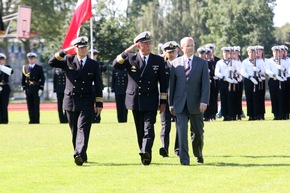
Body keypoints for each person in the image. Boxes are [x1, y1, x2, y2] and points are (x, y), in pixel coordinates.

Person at [112, 31, 167, 165]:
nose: (149, 46)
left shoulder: (158, 60)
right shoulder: (130, 58)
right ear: (138, 45)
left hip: (151, 99)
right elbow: (115, 64)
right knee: (139, 130)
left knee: (149, 127)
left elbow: (163, 82)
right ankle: (144, 153)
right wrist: (127, 51)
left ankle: (146, 150)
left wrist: (163, 101)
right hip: (135, 100)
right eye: (145, 44)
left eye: (150, 43)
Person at [48, 36, 103, 166]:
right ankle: (81, 153)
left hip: (86, 100)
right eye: (81, 47)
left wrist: (99, 103)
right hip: (71, 100)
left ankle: (78, 154)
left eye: (85, 47)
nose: (84, 49)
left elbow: (98, 84)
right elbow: (51, 62)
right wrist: (64, 51)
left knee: (83, 128)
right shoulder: (68, 59)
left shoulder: (93, 64)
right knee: (74, 130)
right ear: (76, 48)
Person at [169, 37, 210, 165]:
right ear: (181, 48)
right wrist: (171, 104)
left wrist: (204, 101)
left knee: (197, 132)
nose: (190, 48)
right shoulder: (175, 64)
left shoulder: (202, 63)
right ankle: (184, 160)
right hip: (180, 104)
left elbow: (205, 85)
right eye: (187, 46)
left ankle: (198, 153)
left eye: (192, 45)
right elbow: (172, 86)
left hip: (196, 104)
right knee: (181, 132)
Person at [159, 41, 179, 157]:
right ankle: (164, 148)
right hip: (165, 99)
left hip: (178, 99)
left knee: (179, 125)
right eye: (168, 52)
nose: (171, 54)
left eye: (173, 51)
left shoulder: (181, 64)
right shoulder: (162, 65)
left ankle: (178, 149)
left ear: (177, 51)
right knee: (165, 125)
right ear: (164, 52)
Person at [21, 52, 45, 124]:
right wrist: (24, 88)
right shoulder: (25, 67)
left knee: (36, 105)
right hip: (28, 88)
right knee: (30, 105)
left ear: (35, 59)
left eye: (33, 58)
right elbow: (23, 79)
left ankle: (36, 120)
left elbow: (42, 78)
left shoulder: (39, 67)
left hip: (36, 88)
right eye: (30, 58)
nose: (31, 60)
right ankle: (31, 120)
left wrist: (41, 88)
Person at [265, 46, 287, 120]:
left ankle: (282, 114)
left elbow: (287, 71)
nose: (276, 53)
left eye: (278, 52)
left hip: (282, 80)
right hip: (273, 80)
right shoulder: (269, 61)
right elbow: (267, 70)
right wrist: (275, 75)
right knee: (274, 97)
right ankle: (276, 114)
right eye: (275, 52)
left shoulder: (283, 61)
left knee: (281, 97)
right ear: (273, 52)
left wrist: (283, 71)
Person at [204, 43, 220, 121]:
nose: (209, 53)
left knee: (213, 98)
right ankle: (205, 115)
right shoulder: (203, 60)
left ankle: (213, 114)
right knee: (206, 98)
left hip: (214, 82)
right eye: (207, 52)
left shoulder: (217, 60)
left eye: (210, 51)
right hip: (205, 81)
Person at [90, 49, 107, 123]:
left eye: (95, 54)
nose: (94, 55)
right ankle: (91, 117)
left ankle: (97, 117)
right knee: (90, 103)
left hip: (97, 86)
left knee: (98, 102)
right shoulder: (87, 63)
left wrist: (95, 62)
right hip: (89, 86)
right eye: (92, 54)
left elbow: (104, 68)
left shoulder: (99, 63)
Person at [0, 53, 13, 124]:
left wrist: (2, 67)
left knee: (4, 105)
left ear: (4, 60)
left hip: (5, 88)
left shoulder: (7, 67)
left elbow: (11, 72)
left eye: (2, 59)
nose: (0, 61)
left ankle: (5, 120)